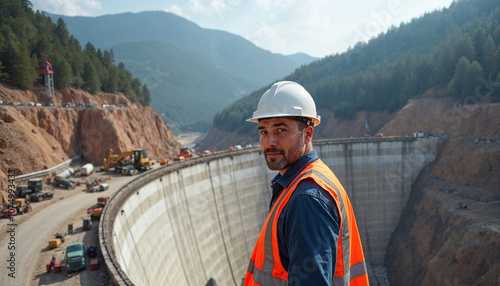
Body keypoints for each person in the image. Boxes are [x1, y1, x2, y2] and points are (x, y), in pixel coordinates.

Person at [244, 81, 369, 286]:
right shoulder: (309, 180)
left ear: (308, 134)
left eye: (281, 130)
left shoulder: (307, 198)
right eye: (264, 132)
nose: (270, 142)